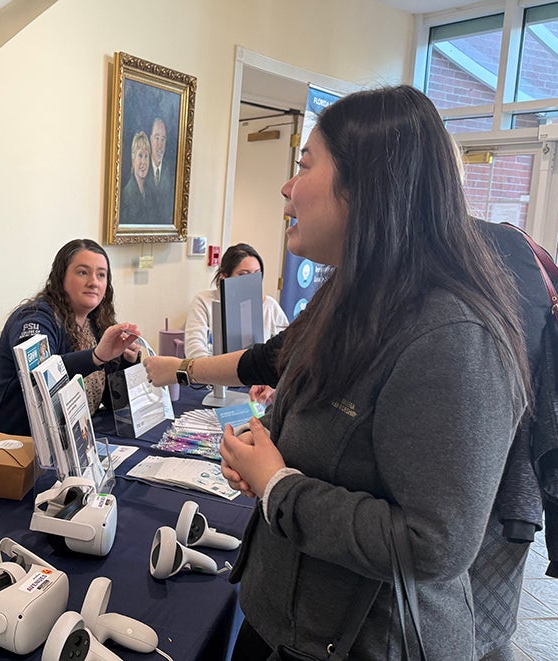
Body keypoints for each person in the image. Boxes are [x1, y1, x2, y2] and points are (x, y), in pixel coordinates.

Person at [145, 85, 530, 659]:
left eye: (305, 165)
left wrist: (278, 485)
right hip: (283, 622)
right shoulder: (351, 298)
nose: (287, 187)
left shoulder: (454, 338)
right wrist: (262, 453)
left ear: (367, 186)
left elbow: (435, 544)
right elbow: (274, 371)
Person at [0, 239, 140, 444]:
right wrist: (96, 357)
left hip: (68, 443)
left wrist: (126, 361)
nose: (93, 282)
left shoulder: (98, 322)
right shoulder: (35, 317)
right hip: (10, 447)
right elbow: (39, 377)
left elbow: (113, 402)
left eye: (101, 275)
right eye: (83, 272)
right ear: (61, 277)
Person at [183, 243, 289, 360]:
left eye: (256, 274)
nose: (251, 281)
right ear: (224, 276)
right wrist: (217, 367)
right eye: (244, 274)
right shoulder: (204, 301)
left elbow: (287, 348)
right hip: (214, 369)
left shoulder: (270, 306)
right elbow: (194, 348)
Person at [120, 131, 154, 224]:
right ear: (133, 157)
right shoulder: (127, 194)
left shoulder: (150, 193)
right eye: (140, 155)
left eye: (146, 156)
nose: (143, 162)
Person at [146, 117, 175, 225]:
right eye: (157, 138)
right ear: (150, 139)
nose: (160, 145)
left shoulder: (172, 172)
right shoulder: (142, 169)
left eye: (163, 139)